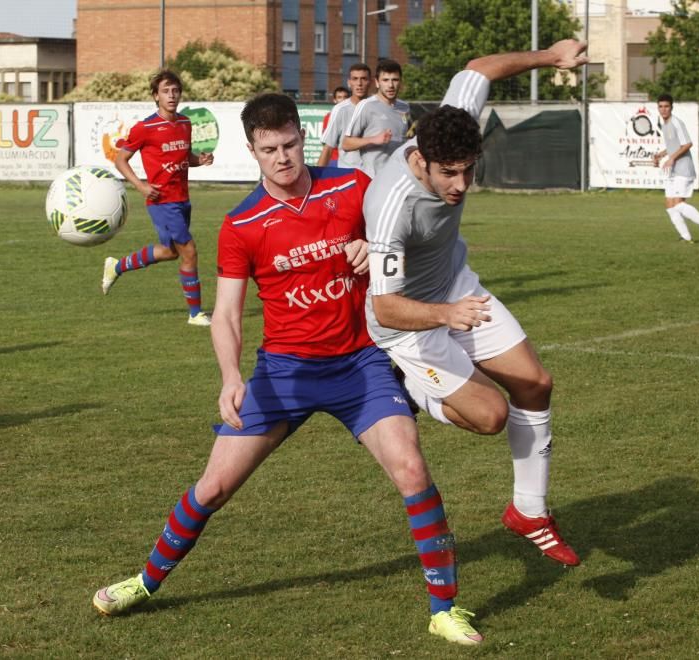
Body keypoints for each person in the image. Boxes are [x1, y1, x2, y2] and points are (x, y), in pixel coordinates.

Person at [92, 93, 484, 646]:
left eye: (291, 144)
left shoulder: (352, 188)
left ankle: (444, 607)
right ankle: (146, 580)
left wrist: (369, 248)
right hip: (284, 373)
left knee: (412, 470)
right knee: (214, 486)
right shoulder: (242, 224)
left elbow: (401, 239)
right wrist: (231, 377)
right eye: (269, 149)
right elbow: (226, 313)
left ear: (303, 138)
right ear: (252, 150)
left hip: (360, 364)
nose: (283, 157)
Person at [364, 39, 590, 568]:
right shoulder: (392, 207)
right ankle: (403, 387)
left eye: (469, 169)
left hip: (456, 288)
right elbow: (385, 308)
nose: (461, 184)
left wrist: (551, 56)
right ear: (420, 159)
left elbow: (479, 68)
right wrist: (445, 316)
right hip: (409, 325)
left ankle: (529, 512)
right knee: (490, 417)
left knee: (536, 383)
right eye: (449, 173)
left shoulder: (451, 123)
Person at [101, 69, 215, 327]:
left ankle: (116, 266)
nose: (172, 95)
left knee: (169, 252)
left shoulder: (185, 123)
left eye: (175, 90)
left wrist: (200, 160)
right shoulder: (145, 128)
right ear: (156, 96)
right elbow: (120, 159)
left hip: (182, 199)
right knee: (190, 251)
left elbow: (184, 158)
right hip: (162, 202)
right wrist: (140, 186)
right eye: (165, 91)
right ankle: (195, 313)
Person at [653, 94, 699, 245]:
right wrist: (661, 155)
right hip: (673, 170)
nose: (663, 109)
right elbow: (674, 146)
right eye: (661, 106)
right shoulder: (665, 124)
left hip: (683, 169)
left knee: (678, 204)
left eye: (666, 106)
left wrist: (672, 158)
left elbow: (687, 144)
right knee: (670, 205)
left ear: (671, 107)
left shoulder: (676, 122)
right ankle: (686, 237)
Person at [341, 59, 410, 177]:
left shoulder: (404, 107)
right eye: (385, 80)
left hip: (397, 177)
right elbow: (346, 144)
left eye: (395, 80)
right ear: (377, 82)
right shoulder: (366, 105)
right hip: (372, 179)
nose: (390, 85)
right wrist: (373, 139)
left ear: (400, 82)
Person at [316, 63, 371, 168]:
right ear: (349, 83)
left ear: (371, 82)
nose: (359, 83)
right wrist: (318, 179)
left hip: (374, 175)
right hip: (349, 174)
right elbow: (328, 148)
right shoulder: (340, 110)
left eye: (363, 79)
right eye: (355, 79)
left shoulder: (378, 107)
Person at [319, 86, 350, 167]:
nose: (343, 100)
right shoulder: (329, 117)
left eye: (345, 97)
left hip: (350, 160)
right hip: (334, 159)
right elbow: (327, 141)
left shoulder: (355, 115)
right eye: (339, 97)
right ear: (334, 100)